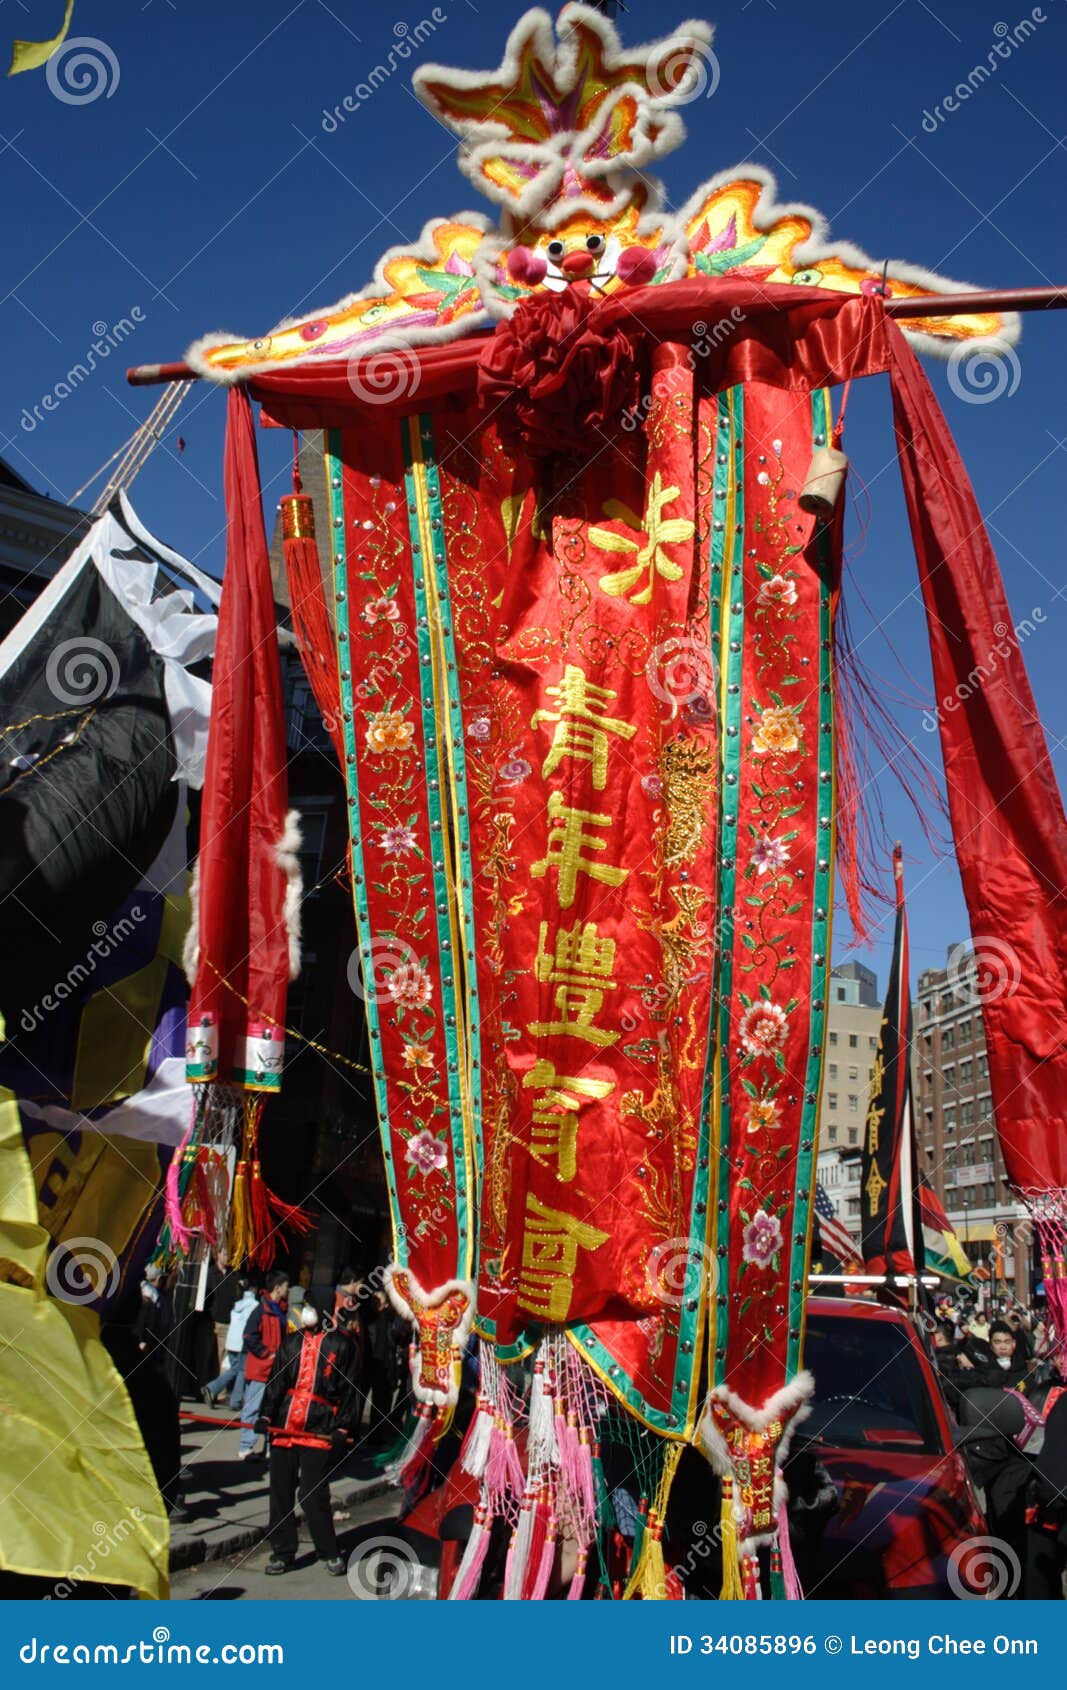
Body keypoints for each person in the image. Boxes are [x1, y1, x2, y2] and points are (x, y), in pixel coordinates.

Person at [258, 1285, 361, 1577]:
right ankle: (282, 1551)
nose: (305, 1310)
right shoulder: (290, 1343)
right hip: (285, 1425)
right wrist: (266, 1414)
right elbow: (276, 1381)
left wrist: (345, 1425)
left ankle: (328, 1550)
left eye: (309, 1304)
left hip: (319, 1427)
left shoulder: (343, 1346)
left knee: (312, 1492)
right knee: (280, 1489)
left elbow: (351, 1391)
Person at [238, 1269, 290, 1459]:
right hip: (262, 1368)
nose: (288, 1289)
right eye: (286, 1286)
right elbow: (248, 1336)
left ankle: (269, 1447)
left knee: (272, 1409)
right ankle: (246, 1446)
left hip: (275, 1369)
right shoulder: (261, 1311)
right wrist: (266, 1353)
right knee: (253, 1408)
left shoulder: (280, 1310)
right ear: (277, 1288)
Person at [202, 1275, 257, 1408]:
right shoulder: (254, 1305)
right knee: (240, 1370)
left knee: (235, 1369)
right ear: (253, 1289)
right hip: (242, 1343)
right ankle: (230, 1398)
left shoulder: (237, 1303)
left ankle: (215, 1390)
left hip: (232, 1341)